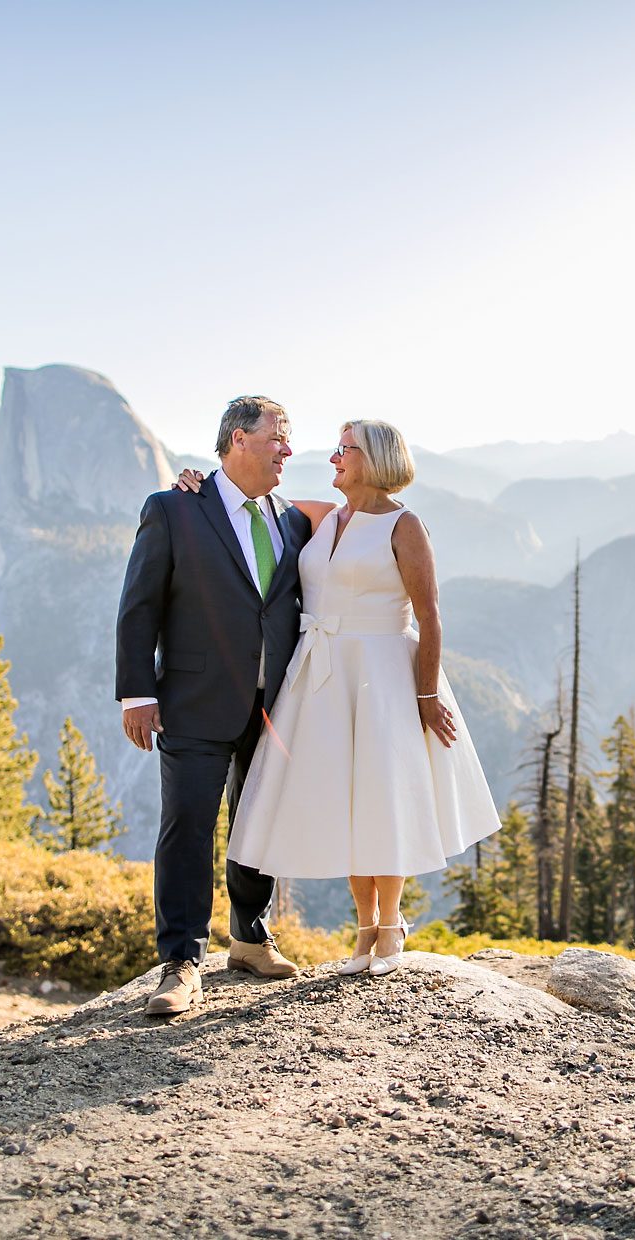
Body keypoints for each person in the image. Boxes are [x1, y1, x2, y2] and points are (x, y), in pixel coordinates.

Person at [176, 419, 502, 976]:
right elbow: (248, 501)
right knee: (345, 796)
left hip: (384, 673)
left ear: (372, 459)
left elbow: (429, 616)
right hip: (321, 674)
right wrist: (199, 485)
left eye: (343, 450)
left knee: (382, 792)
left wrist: (426, 692)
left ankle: (391, 922)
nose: (333, 458)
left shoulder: (404, 526)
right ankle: (364, 926)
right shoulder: (323, 517)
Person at [115, 396, 313, 1017]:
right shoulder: (174, 508)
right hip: (193, 701)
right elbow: (138, 605)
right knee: (188, 828)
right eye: (277, 438)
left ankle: (250, 938)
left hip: (272, 706)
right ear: (236, 440)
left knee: (258, 823)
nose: (287, 450)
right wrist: (137, 692)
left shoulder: (295, 520)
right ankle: (180, 962)